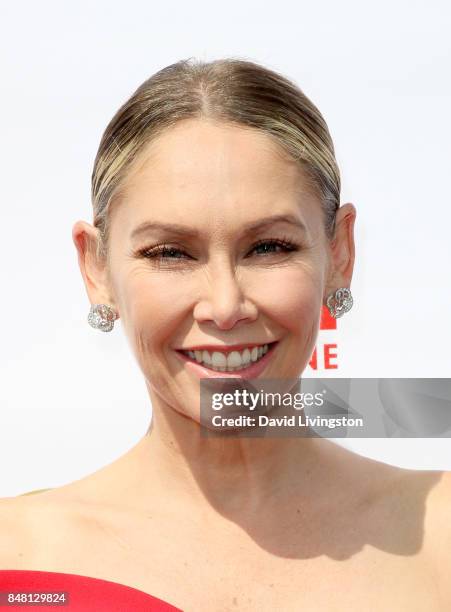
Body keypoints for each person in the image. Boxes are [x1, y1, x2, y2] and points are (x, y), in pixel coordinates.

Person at [1, 57, 450, 611]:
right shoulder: (17, 562)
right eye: (169, 253)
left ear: (339, 253)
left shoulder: (440, 540)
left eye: (269, 247)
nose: (225, 305)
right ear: (96, 268)